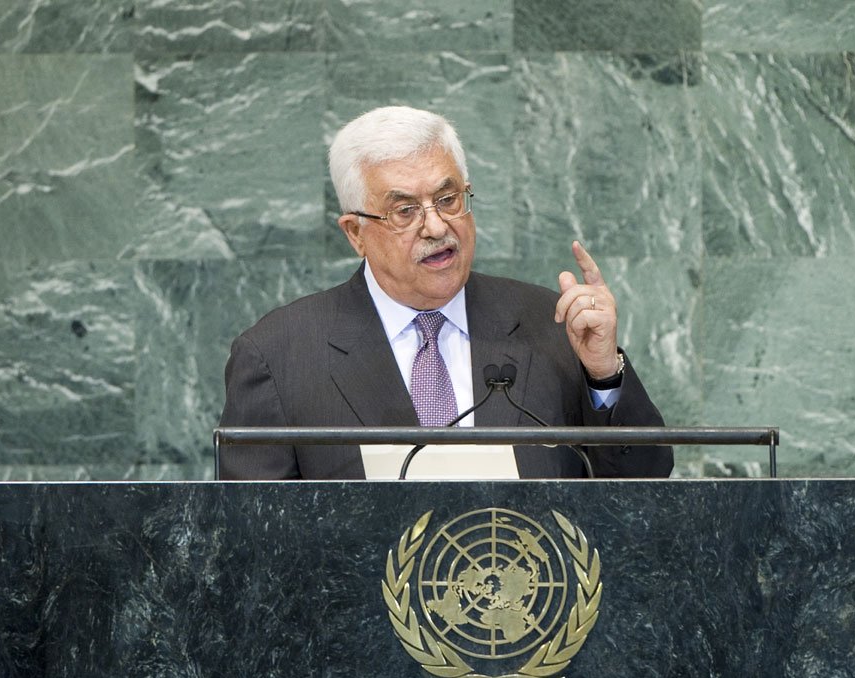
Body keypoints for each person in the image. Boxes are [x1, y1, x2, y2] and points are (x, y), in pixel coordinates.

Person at [219, 106, 673, 479]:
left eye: (448, 199)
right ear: (355, 232)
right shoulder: (279, 356)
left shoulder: (549, 324)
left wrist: (602, 373)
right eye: (403, 210)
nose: (436, 226)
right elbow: (255, 541)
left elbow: (647, 483)